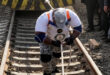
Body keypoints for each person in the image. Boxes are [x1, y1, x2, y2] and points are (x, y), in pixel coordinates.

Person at [35, 8, 82, 75]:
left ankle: (53, 68)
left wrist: (72, 38)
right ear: (53, 18)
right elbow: (39, 37)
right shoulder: (44, 18)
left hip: (61, 38)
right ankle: (47, 71)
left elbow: (78, 28)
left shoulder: (71, 15)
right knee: (45, 57)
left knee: (57, 54)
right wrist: (52, 42)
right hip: (46, 38)